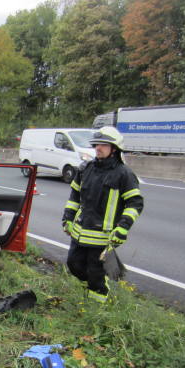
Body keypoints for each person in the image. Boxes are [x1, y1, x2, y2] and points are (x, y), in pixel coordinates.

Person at [61, 126, 144, 303]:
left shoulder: (124, 174)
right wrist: (67, 218)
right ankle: (90, 289)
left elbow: (135, 203)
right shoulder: (85, 169)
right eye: (96, 144)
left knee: (95, 273)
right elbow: (75, 195)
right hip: (80, 232)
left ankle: (96, 308)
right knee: (73, 264)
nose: (98, 148)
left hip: (102, 237)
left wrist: (123, 228)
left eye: (103, 145)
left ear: (114, 149)